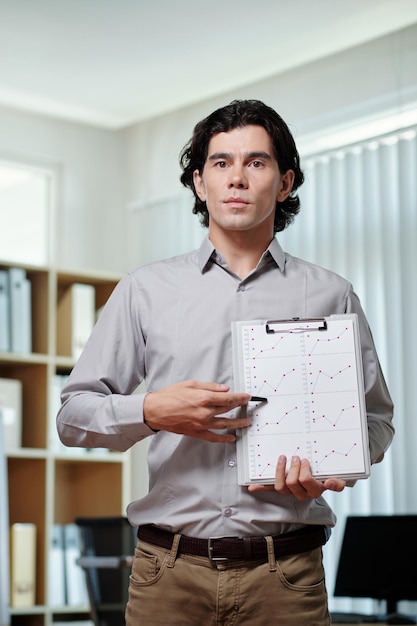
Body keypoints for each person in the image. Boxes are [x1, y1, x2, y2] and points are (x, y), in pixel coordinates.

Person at [57, 99, 394, 625]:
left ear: (284, 184)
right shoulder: (144, 290)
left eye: (256, 163)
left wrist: (332, 468)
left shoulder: (332, 294)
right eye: (221, 163)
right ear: (199, 182)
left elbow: (375, 421)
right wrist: (151, 412)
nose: (237, 177)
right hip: (166, 577)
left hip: (287, 579)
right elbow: (73, 417)